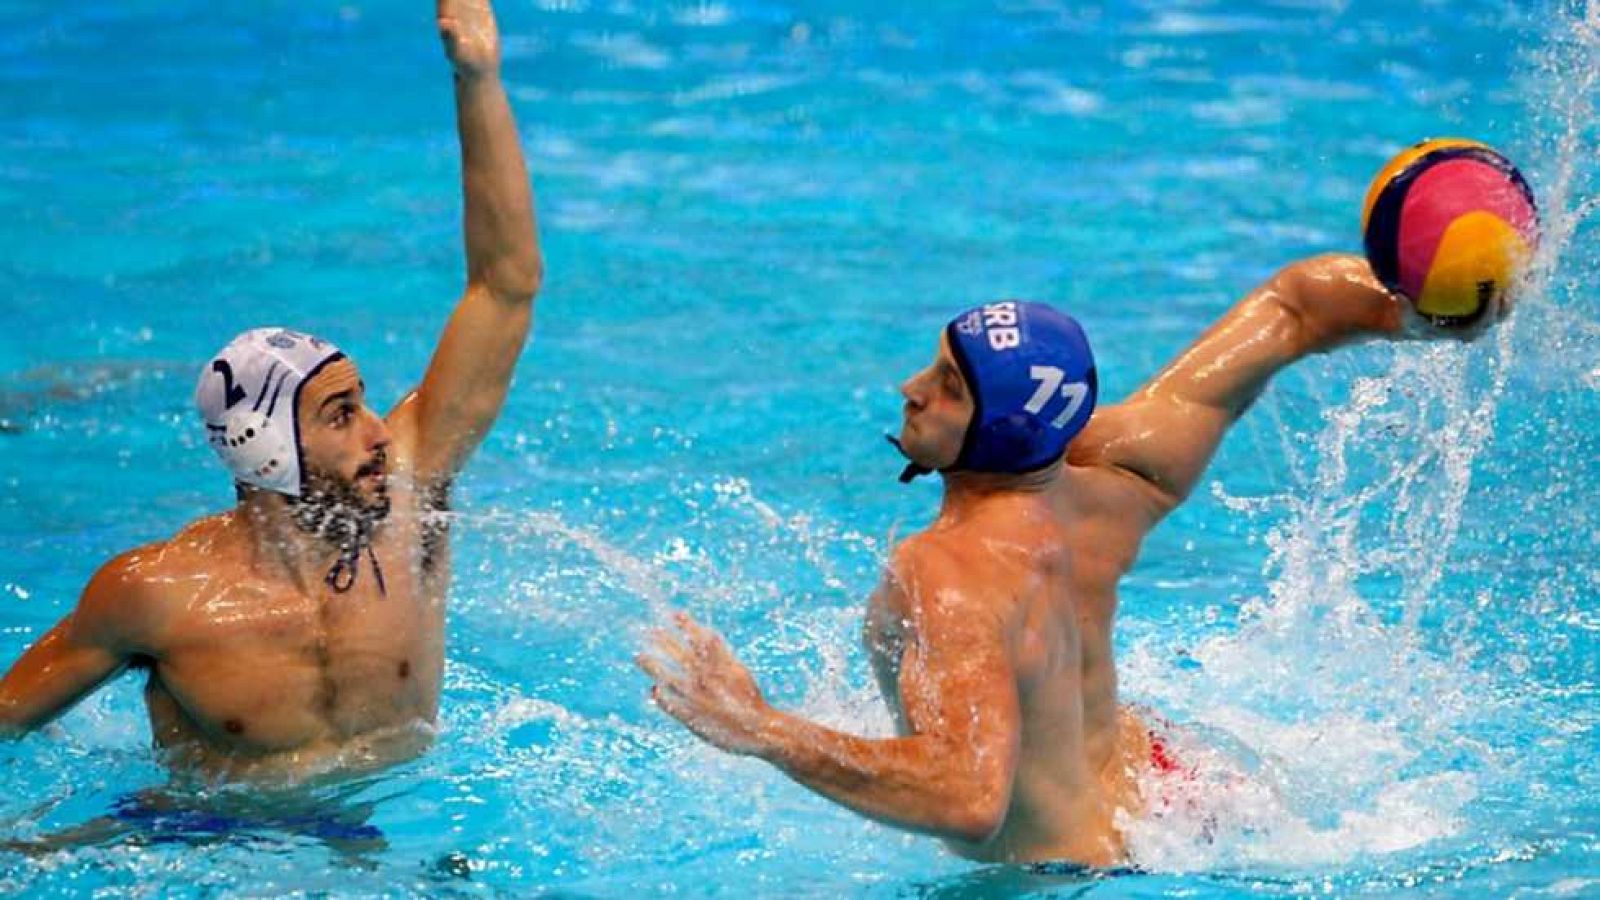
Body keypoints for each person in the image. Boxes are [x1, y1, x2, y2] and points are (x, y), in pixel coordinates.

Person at [637, 254, 1499, 866]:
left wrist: (764, 729)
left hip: (1061, 879)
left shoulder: (945, 572)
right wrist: (1423, 309)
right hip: (1170, 795)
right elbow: (1297, 308)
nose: (912, 389)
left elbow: (967, 798)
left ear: (1000, 430)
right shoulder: (1118, 474)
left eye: (948, 385)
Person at [0, 0, 540, 784]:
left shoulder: (410, 500)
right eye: (341, 415)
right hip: (207, 833)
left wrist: (477, 79)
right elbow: (7, 720)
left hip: (386, 821)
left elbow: (505, 286)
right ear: (265, 449)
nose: (380, 432)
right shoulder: (158, 596)